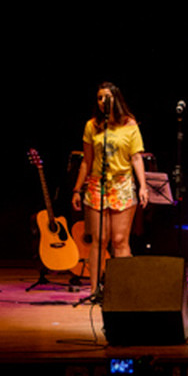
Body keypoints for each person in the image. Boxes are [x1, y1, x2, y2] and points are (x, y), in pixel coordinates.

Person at [71, 82, 150, 295]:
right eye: (99, 98)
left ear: (116, 99)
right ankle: (95, 288)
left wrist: (143, 186)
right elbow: (87, 161)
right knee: (99, 240)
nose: (103, 101)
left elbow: (136, 158)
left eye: (107, 97)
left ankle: (123, 290)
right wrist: (77, 189)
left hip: (122, 183)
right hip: (97, 185)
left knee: (119, 240)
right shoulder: (92, 126)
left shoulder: (130, 124)